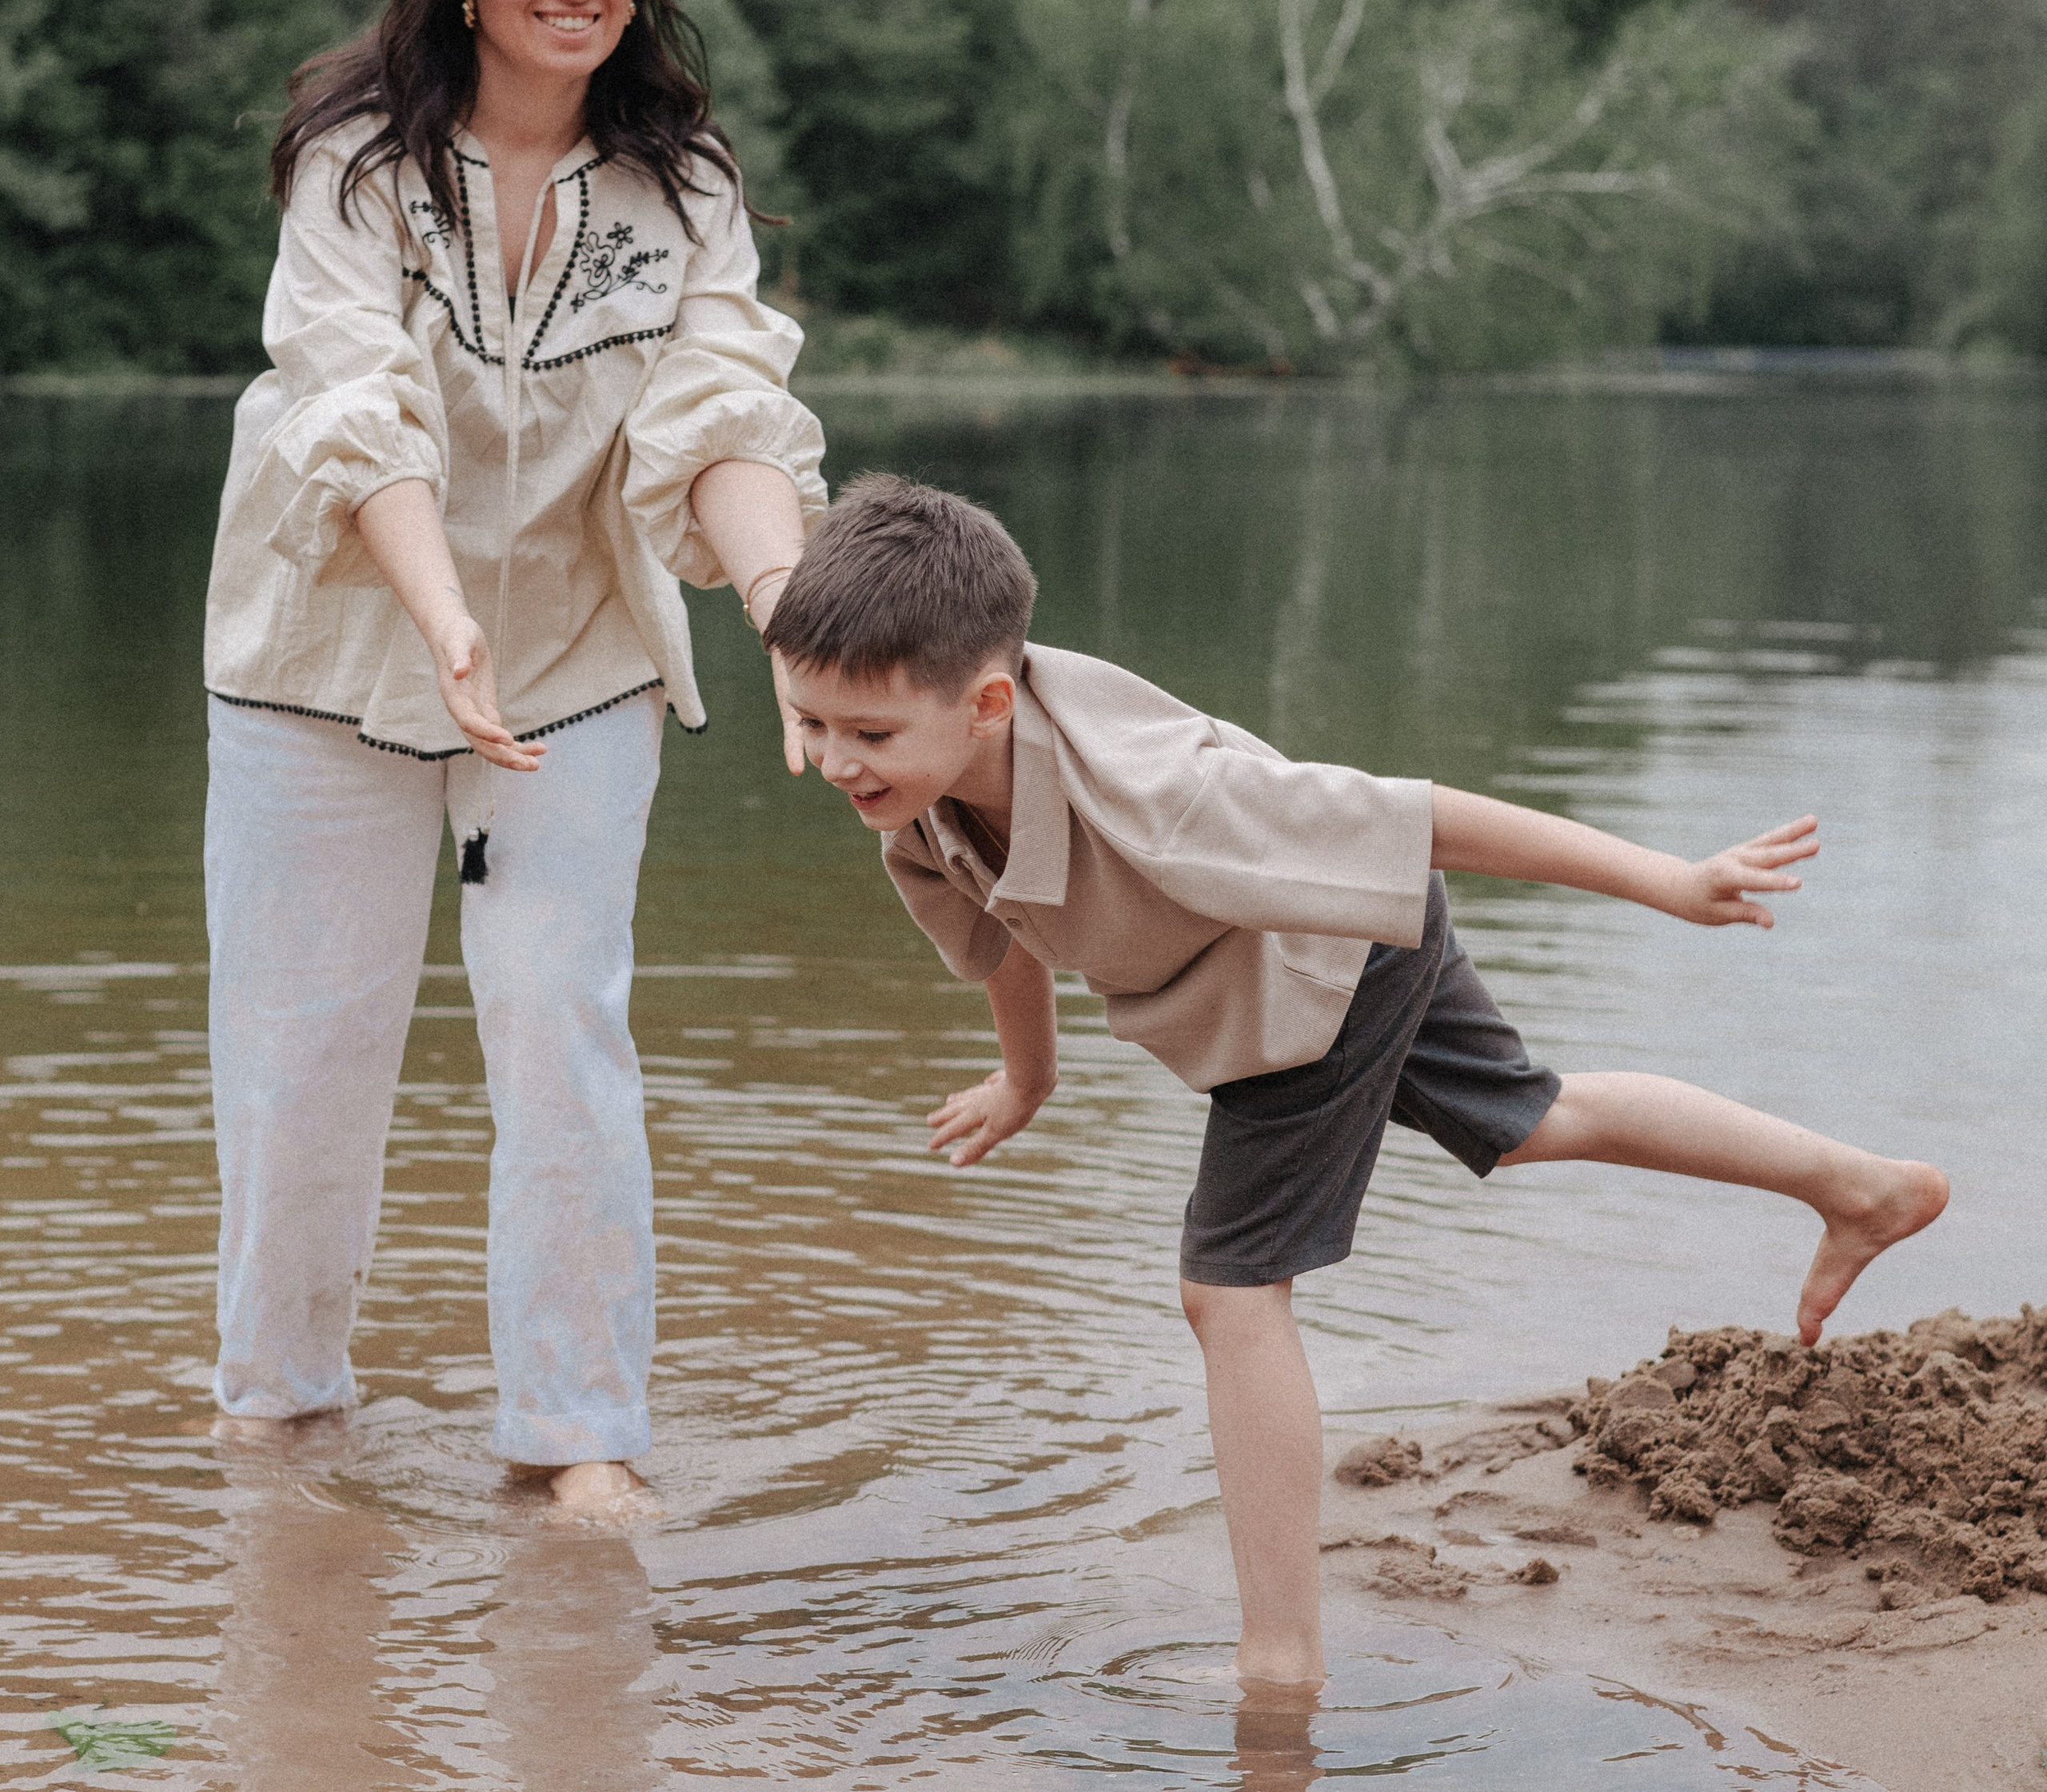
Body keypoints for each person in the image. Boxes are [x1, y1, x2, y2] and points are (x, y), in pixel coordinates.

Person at [766, 476, 1951, 1686]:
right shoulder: (920, 805)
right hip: (1331, 954)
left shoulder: (1158, 792)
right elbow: (1002, 933)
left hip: (1323, 968)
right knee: (1534, 1120)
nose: (834, 762)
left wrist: (1667, 880)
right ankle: (1861, 1188)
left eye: (869, 735)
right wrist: (1028, 1081)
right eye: (812, 722)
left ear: (988, 704)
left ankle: (1280, 1665)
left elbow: (1419, 822)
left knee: (1230, 1293)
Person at [204, 0, 824, 1511]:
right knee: (304, 1053)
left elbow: (724, 418)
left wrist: (791, 623)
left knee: (563, 1034)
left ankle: (578, 1440)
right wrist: (442, 616)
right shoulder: (356, 160)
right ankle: (276, 1411)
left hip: (575, 663)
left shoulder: (682, 182)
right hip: (325, 663)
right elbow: (352, 400)